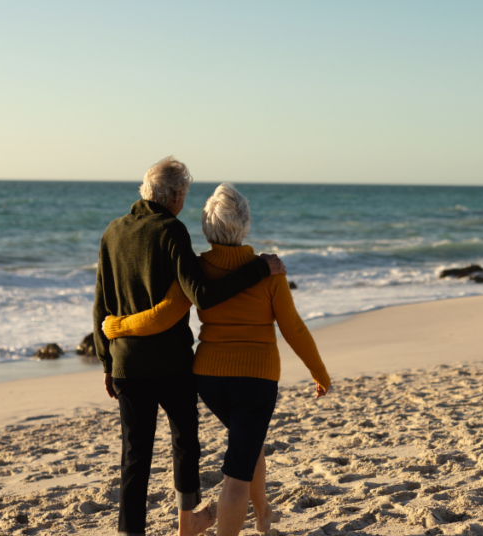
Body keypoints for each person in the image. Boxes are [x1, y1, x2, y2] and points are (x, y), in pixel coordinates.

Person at [103, 183, 332, 536]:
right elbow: (294, 330)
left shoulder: (195, 270)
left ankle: (263, 515)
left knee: (248, 442)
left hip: (208, 379)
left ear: (207, 227)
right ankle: (253, 516)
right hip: (255, 381)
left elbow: (162, 315)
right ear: (245, 224)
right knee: (236, 475)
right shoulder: (269, 272)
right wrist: (320, 372)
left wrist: (117, 326)